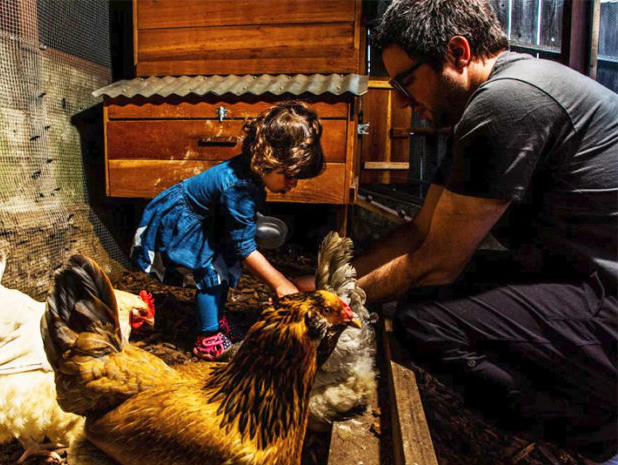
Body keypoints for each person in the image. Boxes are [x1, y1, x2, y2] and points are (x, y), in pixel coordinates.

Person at [296, 0, 617, 462]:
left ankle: (592, 437)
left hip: (605, 293)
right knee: (429, 296)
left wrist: (327, 309)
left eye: (406, 81)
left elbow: (436, 262)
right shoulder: (493, 101)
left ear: (458, 51)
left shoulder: (508, 103)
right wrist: (327, 286)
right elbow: (419, 232)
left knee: (426, 320)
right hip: (579, 275)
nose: (403, 101)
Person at [131, 101, 324, 361]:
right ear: (269, 159)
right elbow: (244, 247)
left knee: (222, 271)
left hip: (209, 221)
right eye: (289, 174)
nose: (293, 183)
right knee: (211, 276)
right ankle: (208, 339)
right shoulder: (241, 187)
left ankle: (217, 319)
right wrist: (281, 284)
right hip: (187, 223)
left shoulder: (251, 170)